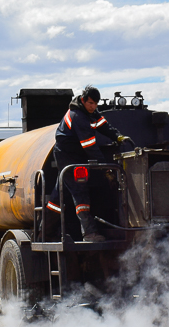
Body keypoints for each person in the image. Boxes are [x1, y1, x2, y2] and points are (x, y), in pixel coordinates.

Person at [49, 85, 131, 242]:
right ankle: (89, 233)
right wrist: (106, 169)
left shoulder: (91, 113)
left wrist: (118, 137)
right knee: (80, 191)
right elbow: (90, 148)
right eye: (91, 103)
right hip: (67, 156)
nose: (93, 107)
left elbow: (104, 126)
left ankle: (44, 230)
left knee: (59, 195)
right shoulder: (78, 116)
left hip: (76, 154)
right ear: (83, 100)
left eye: (96, 104)